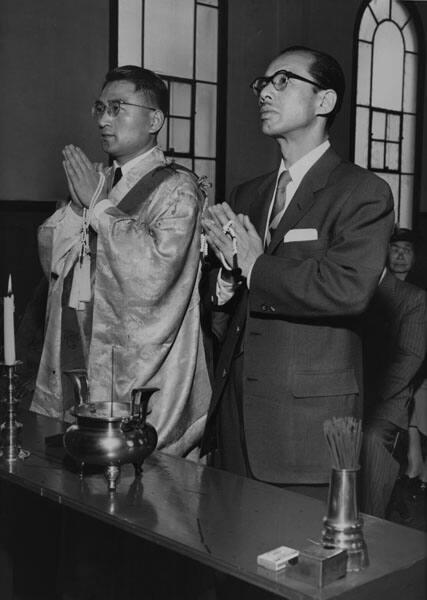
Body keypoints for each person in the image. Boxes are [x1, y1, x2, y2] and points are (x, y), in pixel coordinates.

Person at [200, 45, 394, 491]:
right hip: (235, 416)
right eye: (262, 84)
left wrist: (254, 265)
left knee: (295, 554)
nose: (265, 92)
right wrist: (228, 275)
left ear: (324, 102)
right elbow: (223, 297)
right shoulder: (249, 193)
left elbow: (349, 288)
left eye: (282, 81)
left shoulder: (361, 191)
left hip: (302, 426)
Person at [31, 66, 211, 457]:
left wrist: (98, 207)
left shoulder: (177, 188)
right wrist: (80, 209)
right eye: (100, 108)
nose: (103, 120)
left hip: (141, 372)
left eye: (117, 108)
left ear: (155, 120)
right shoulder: (99, 180)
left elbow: (155, 275)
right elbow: (56, 264)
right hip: (81, 353)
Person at [361, 228, 427, 519]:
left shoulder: (416, 296)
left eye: (407, 250)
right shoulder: (366, 289)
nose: (400, 255)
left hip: (399, 387)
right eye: (395, 248)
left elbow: (411, 358)